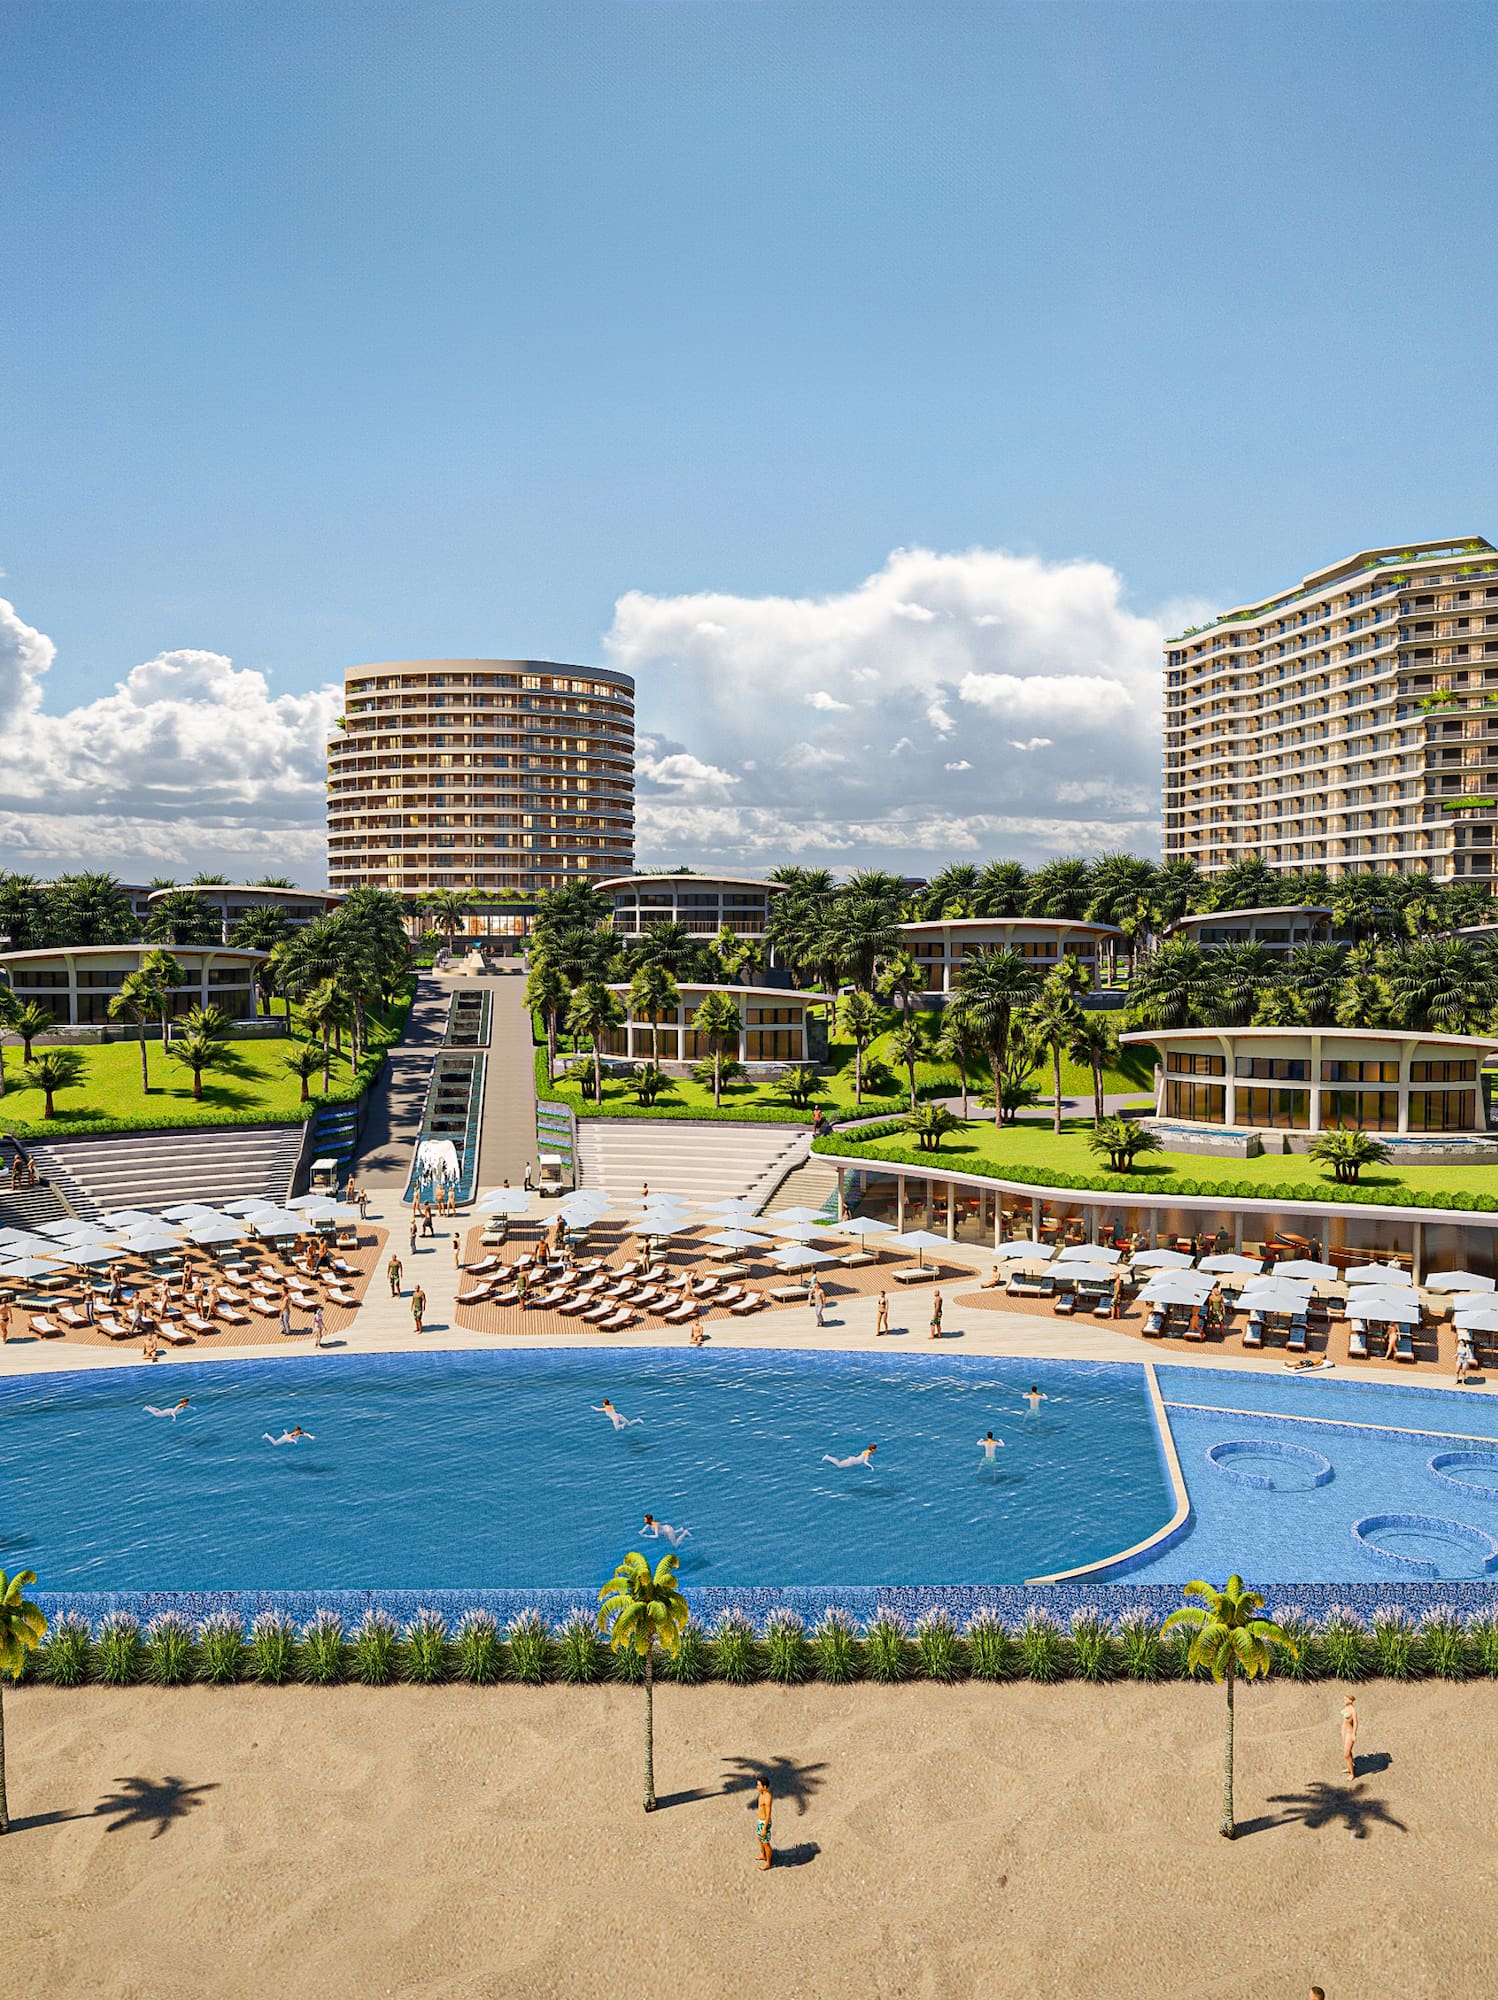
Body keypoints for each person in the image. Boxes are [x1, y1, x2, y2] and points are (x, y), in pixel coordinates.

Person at [756, 1776, 773, 1871]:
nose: (757, 1786)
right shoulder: (761, 1794)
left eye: (759, 1785)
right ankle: (763, 1855)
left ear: (765, 1786)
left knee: (766, 1843)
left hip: (764, 1823)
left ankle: (768, 1863)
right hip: (760, 1821)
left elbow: (768, 1815)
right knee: (759, 1838)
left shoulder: (768, 1798)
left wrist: (764, 1828)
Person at [1341, 1693, 1358, 1780]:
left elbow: (1355, 1723)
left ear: (1350, 1700)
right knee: (1348, 1751)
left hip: (1349, 1732)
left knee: (1346, 1754)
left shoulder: (1353, 1711)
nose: (1344, 1700)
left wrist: (1354, 1734)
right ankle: (1349, 1766)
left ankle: (1352, 1774)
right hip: (1344, 1731)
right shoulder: (1346, 1708)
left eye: (1346, 1699)